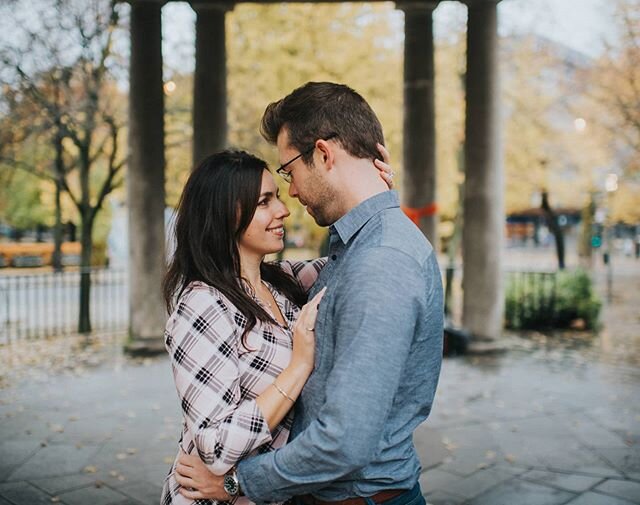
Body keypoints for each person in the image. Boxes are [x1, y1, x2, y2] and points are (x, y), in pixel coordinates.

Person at [176, 82, 444, 505]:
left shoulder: (379, 262)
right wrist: (379, 196)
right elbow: (262, 273)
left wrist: (236, 483)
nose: (292, 195)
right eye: (268, 197)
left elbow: (345, 441)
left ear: (322, 154)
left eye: (289, 173)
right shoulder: (353, 254)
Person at [161, 147, 394, 505]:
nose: (283, 210)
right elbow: (216, 446)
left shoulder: (280, 282)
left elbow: (356, 256)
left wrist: (375, 195)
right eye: (264, 202)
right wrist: (299, 366)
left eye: (279, 198)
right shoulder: (203, 304)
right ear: (223, 213)